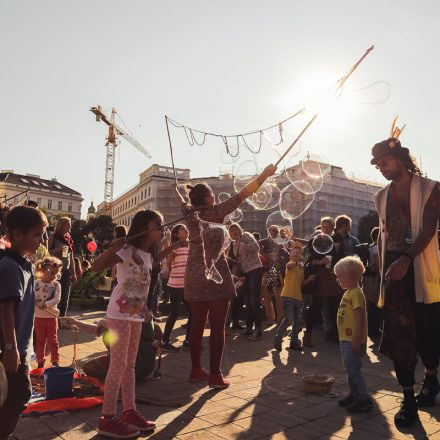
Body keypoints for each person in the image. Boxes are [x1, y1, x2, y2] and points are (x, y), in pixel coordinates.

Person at [174, 164, 277, 389]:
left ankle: (195, 370)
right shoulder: (216, 211)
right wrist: (264, 175)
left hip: (193, 272)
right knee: (218, 326)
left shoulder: (188, 213)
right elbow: (244, 193)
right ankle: (215, 375)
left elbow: (180, 198)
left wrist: (179, 190)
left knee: (197, 325)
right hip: (216, 271)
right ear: (209, 198)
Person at [371, 134, 440, 427]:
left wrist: (407, 259)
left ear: (399, 158)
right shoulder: (380, 196)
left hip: (420, 269)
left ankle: (432, 378)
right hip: (395, 274)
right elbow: (386, 238)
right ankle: (408, 398)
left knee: (428, 336)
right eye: (378, 166)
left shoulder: (431, 188)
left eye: (384, 162)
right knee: (399, 336)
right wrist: (389, 266)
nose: (382, 169)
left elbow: (428, 229)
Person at [92, 210, 168, 437]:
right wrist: (112, 247)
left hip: (135, 315)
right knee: (118, 364)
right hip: (119, 314)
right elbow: (96, 267)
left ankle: (129, 410)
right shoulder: (126, 250)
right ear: (144, 227)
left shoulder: (146, 255)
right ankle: (107, 418)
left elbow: (142, 286)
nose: (163, 229)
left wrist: (145, 310)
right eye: (158, 224)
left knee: (130, 366)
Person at [0, 205, 48, 440]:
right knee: (19, 394)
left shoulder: (24, 264)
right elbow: (5, 308)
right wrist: (11, 348)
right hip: (11, 349)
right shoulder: (10, 266)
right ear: (17, 235)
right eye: (37, 235)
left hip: (19, 347)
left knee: (13, 395)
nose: (41, 240)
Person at [334, 256, 373, 413]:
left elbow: (360, 317)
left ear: (350, 277)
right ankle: (354, 395)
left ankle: (363, 399)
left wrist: (357, 339)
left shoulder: (356, 293)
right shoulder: (349, 292)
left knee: (354, 370)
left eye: (339, 276)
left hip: (352, 340)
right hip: (346, 340)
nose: (337, 280)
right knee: (350, 369)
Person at [303, 217, 343, 347]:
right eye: (323, 227)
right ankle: (307, 335)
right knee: (315, 307)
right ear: (320, 227)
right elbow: (306, 261)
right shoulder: (312, 242)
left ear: (333, 229)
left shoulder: (335, 242)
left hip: (332, 278)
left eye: (328, 227)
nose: (325, 229)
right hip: (319, 278)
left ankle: (335, 334)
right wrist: (319, 262)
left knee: (335, 307)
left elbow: (339, 260)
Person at [273, 243, 315, 351]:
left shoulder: (301, 268)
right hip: (288, 295)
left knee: (298, 321)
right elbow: (289, 266)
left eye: (298, 253)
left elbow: (301, 284)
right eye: (294, 253)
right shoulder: (291, 264)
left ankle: (294, 343)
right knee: (289, 319)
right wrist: (298, 261)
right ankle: (277, 340)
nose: (296, 254)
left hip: (298, 297)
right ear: (290, 256)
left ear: (301, 255)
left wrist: (309, 279)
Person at [228, 223, 263, 340]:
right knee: (247, 301)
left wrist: (243, 245)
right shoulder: (233, 244)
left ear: (239, 229)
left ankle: (258, 330)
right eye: (231, 231)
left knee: (254, 300)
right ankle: (248, 328)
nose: (234, 232)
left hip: (255, 269)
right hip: (245, 274)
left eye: (235, 229)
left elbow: (256, 248)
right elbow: (240, 259)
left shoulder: (246, 236)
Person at [161, 224, 191, 351]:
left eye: (186, 229)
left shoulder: (191, 246)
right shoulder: (175, 246)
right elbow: (168, 264)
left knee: (193, 313)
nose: (186, 230)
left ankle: (188, 340)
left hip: (187, 284)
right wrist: (166, 271)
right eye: (182, 229)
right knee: (174, 313)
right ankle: (165, 340)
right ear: (176, 234)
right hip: (175, 285)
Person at [34, 256, 63, 368]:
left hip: (51, 318)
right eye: (51, 272)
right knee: (40, 341)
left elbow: (57, 298)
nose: (53, 276)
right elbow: (31, 297)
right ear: (42, 270)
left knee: (53, 341)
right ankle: (40, 361)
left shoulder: (56, 285)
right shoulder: (36, 283)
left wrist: (46, 304)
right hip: (38, 317)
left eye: (55, 273)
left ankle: (55, 361)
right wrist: (35, 303)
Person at [259, 226, 289, 325]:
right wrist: (268, 255)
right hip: (267, 271)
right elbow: (258, 254)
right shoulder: (262, 242)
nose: (275, 232)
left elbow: (285, 256)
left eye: (277, 231)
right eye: (273, 230)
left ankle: (280, 318)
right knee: (267, 296)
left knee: (279, 296)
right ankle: (270, 318)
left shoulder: (280, 243)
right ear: (269, 231)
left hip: (277, 271)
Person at [48, 217, 77, 317]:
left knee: (65, 296)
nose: (69, 227)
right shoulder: (53, 236)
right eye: (67, 224)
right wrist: (58, 249)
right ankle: (52, 317)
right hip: (55, 270)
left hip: (66, 270)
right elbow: (47, 253)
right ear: (61, 225)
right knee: (54, 295)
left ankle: (62, 319)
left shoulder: (69, 238)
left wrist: (74, 274)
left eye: (70, 225)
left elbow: (71, 258)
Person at [362, 227, 382, 337]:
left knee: (371, 305)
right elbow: (379, 265)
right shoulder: (377, 249)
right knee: (375, 304)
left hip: (368, 279)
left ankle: (371, 328)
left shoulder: (370, 247)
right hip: (374, 280)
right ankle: (373, 330)